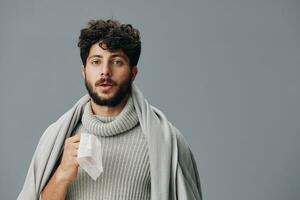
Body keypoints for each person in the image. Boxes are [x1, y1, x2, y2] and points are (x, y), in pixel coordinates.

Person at [18, 19, 202, 200]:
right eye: (96, 62)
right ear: (84, 71)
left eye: (117, 62)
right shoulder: (57, 139)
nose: (105, 71)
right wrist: (62, 175)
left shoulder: (167, 141)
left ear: (133, 73)